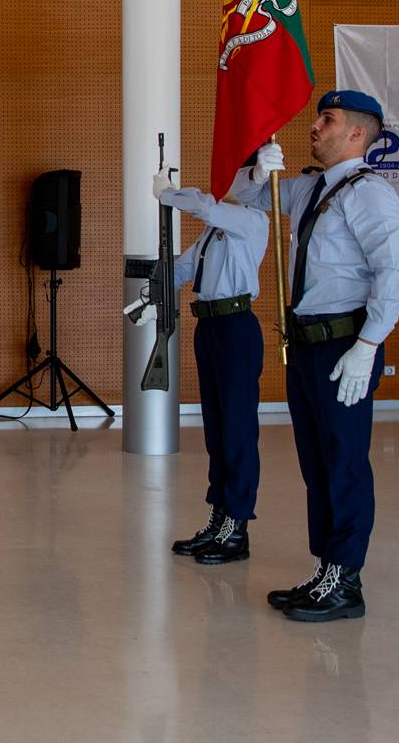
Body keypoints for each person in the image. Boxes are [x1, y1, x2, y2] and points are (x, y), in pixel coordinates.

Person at [231, 91, 399, 623]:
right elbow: (250, 197)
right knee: (316, 461)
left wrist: (369, 344)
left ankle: (345, 579)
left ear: (357, 133)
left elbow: (394, 272)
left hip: (344, 344)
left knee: (343, 462)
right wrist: (256, 166)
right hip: (307, 342)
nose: (314, 126)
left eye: (327, 119)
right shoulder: (311, 187)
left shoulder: (369, 194)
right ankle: (325, 567)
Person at [152, 150, 272, 566]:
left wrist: (168, 195)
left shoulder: (251, 220)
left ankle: (237, 526)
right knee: (216, 429)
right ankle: (219, 516)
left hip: (237, 328)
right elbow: (185, 269)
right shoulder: (214, 231)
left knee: (237, 429)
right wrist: (154, 282)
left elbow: (204, 205)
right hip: (209, 327)